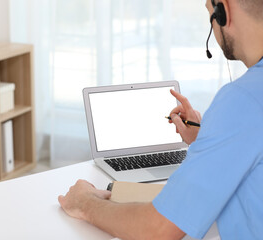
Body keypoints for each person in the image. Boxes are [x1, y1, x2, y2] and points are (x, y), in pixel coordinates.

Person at [58, 0, 263, 239]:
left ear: (222, 11)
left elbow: (158, 229)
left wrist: (85, 203)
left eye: (210, 15)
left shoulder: (243, 99)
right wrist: (204, 137)